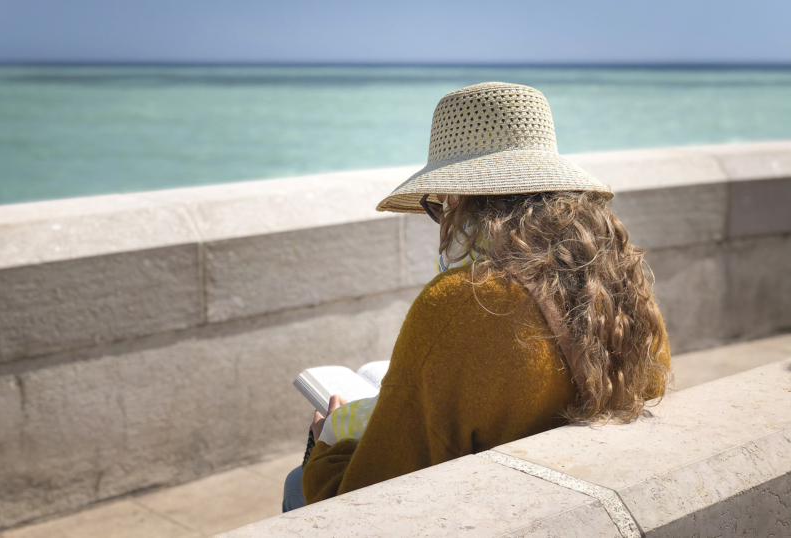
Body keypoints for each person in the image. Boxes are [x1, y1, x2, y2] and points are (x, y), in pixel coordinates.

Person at [283, 82, 671, 511]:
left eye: (439, 205)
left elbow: (363, 491)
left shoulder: (462, 302)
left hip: (489, 512)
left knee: (296, 482)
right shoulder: (622, 282)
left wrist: (325, 447)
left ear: (459, 200)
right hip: (575, 501)